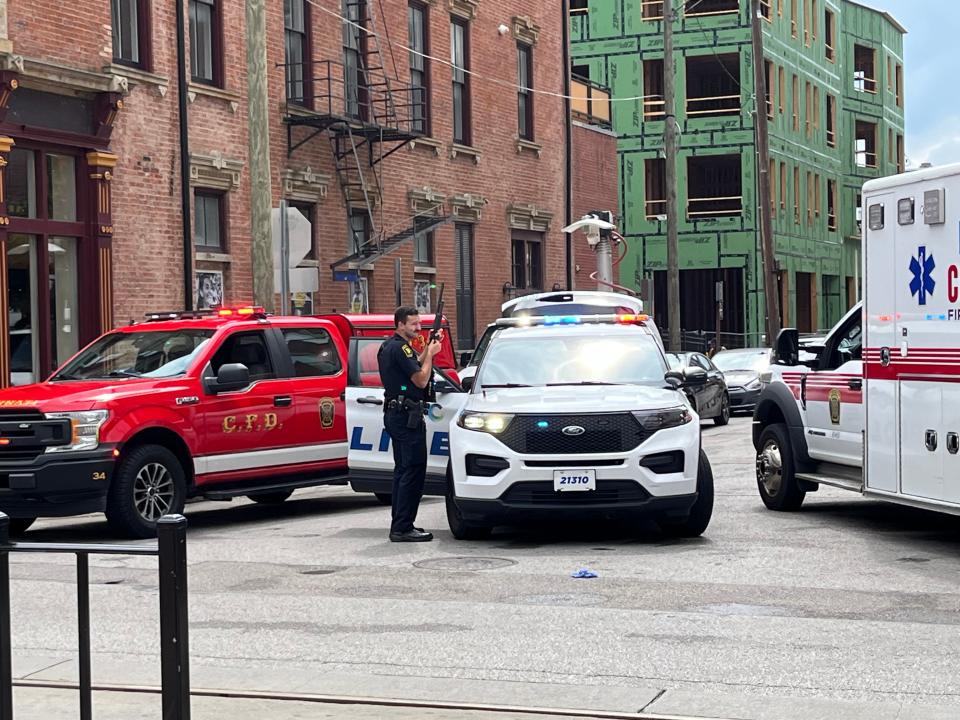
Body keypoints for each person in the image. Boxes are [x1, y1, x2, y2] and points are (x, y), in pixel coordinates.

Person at [378, 306, 443, 542]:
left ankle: (402, 523)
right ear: (400, 325)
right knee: (412, 471)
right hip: (405, 417)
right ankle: (402, 527)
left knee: (404, 470)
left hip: (400, 415)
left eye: (419, 323)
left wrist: (428, 348)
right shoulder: (399, 348)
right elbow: (421, 378)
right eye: (413, 324)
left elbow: (415, 365)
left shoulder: (394, 346)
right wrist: (433, 354)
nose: (418, 328)